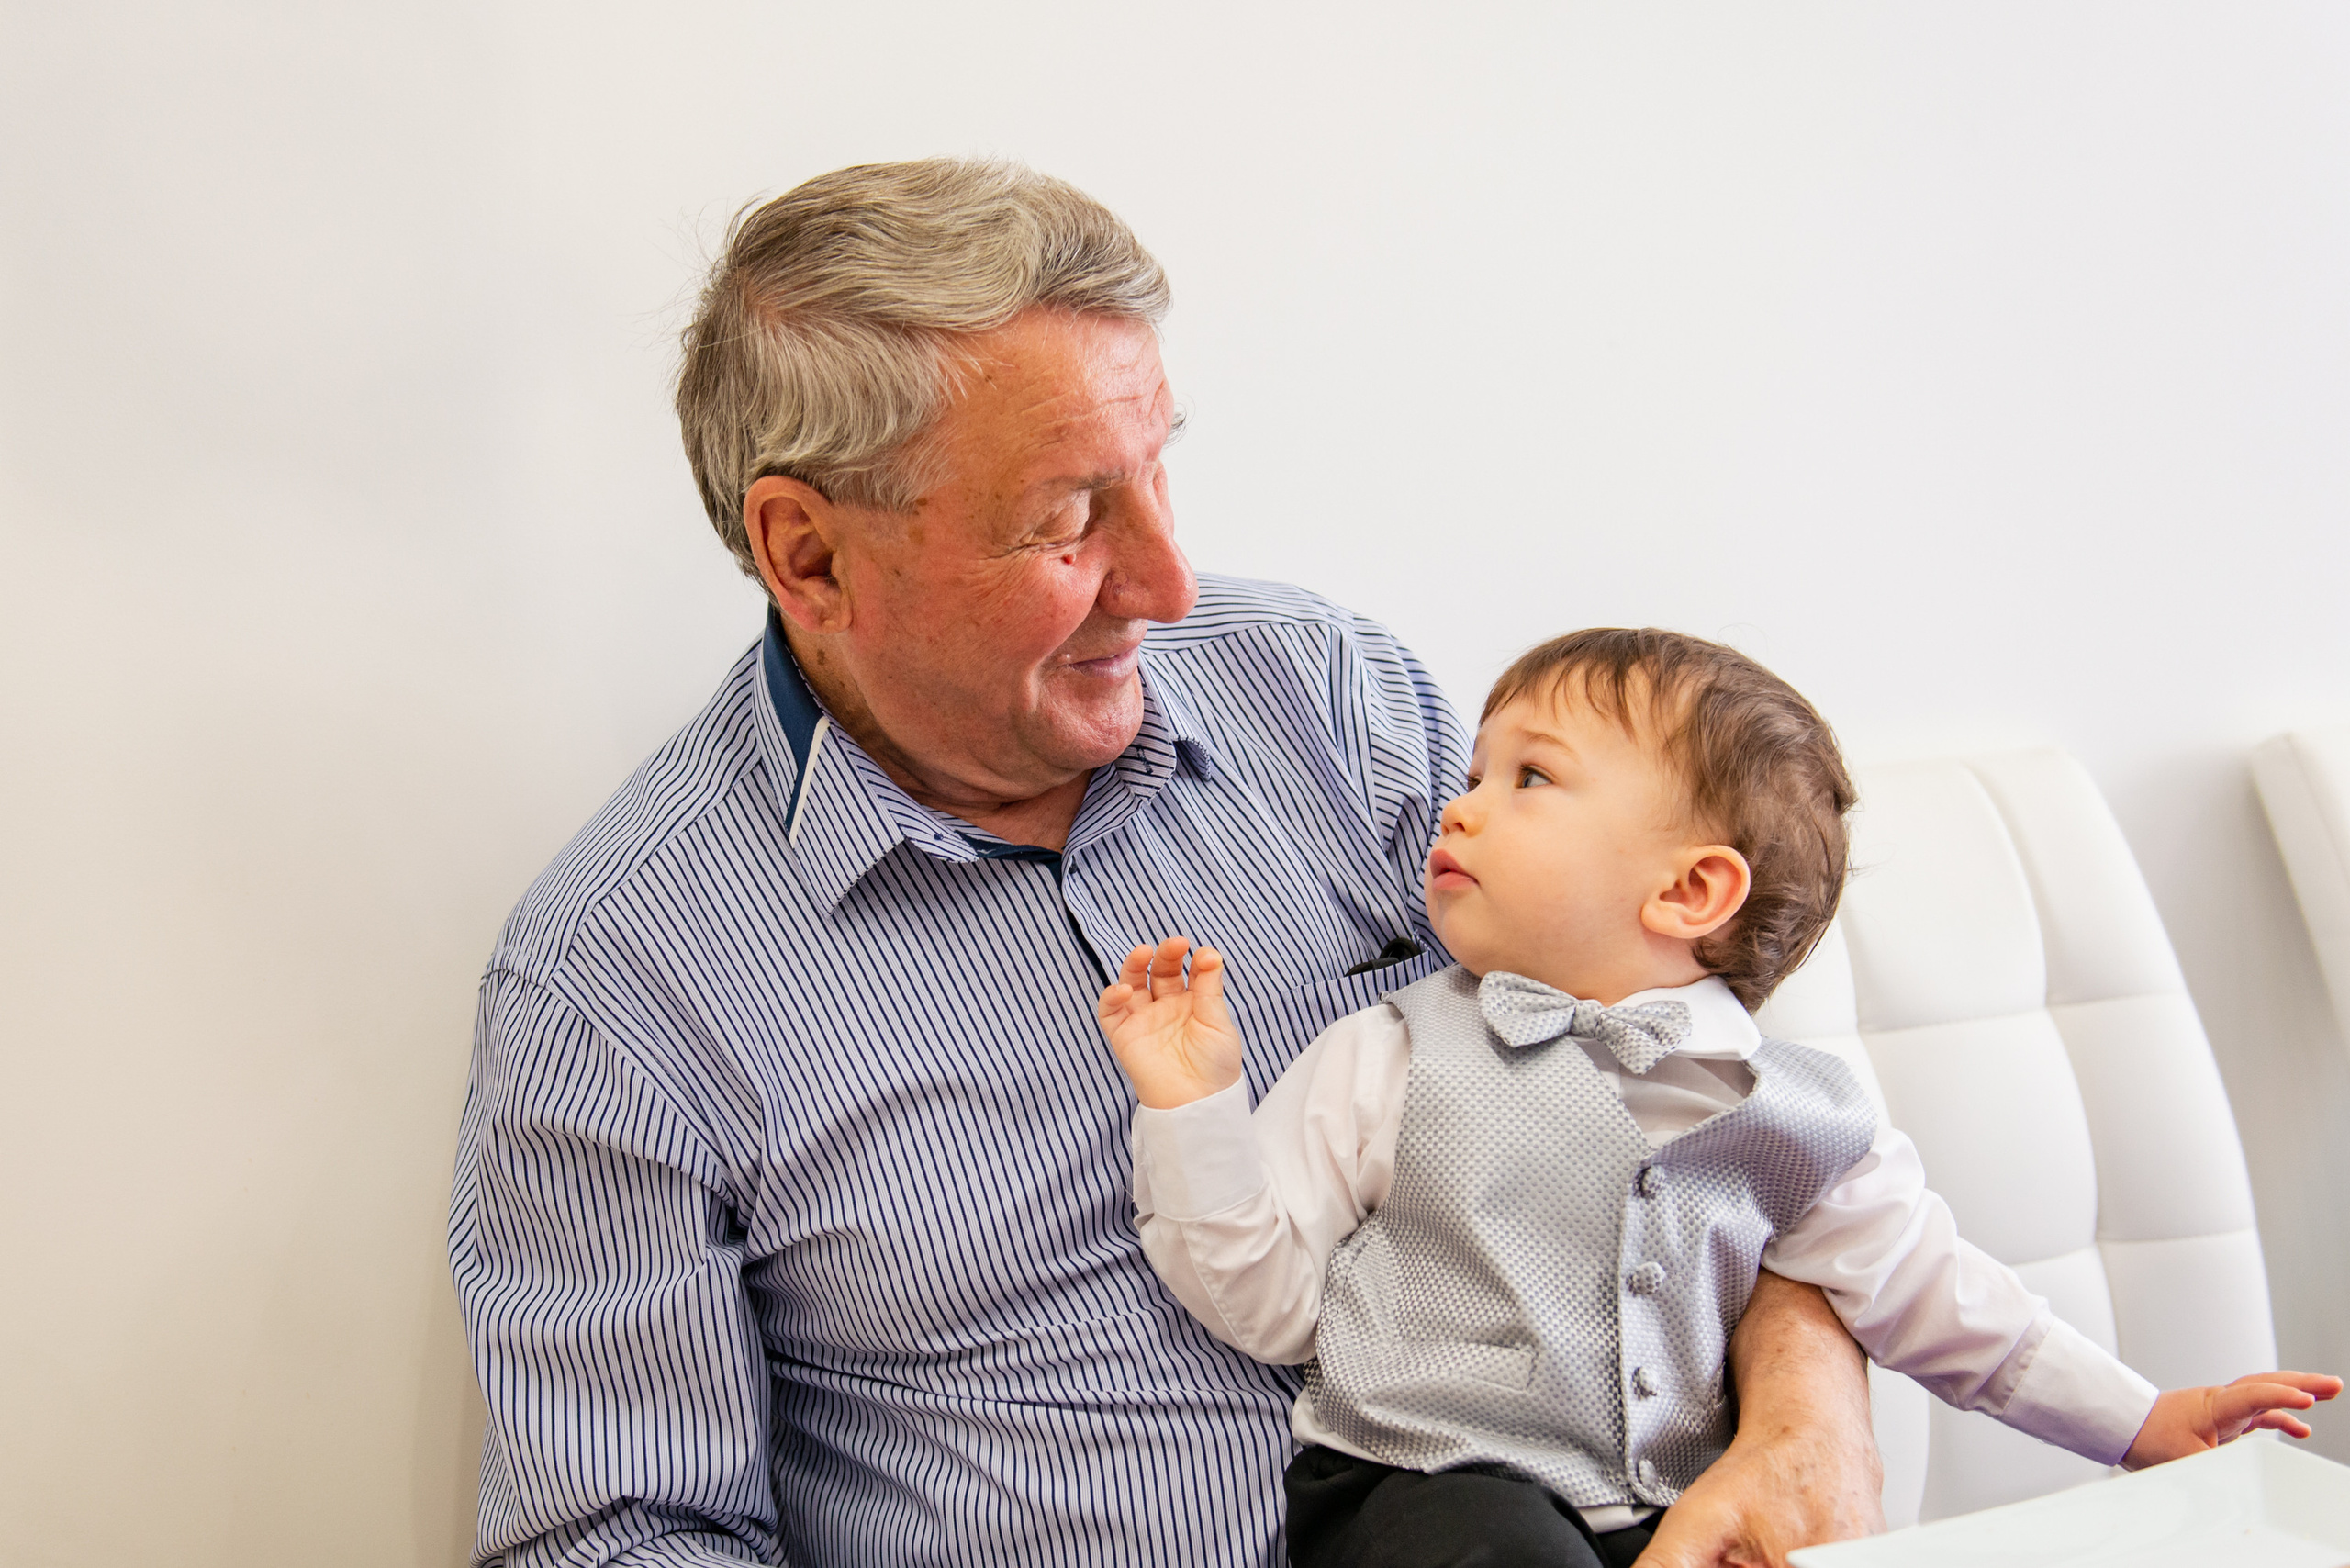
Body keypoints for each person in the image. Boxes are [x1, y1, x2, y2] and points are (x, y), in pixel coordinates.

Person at [450, 158, 1888, 1568]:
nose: (1169, 585)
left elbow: (1705, 1089)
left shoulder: (1331, 699)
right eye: (1069, 520)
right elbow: (618, 1538)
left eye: (1157, 475)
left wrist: (1810, 1403)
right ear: (809, 556)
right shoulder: (614, 985)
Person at [1098, 628, 2341, 1568]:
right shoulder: (1391, 1054)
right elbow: (1264, 1306)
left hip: (1665, 1515)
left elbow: (1943, 1301)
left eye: (1530, 778)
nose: (1459, 803)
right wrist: (1194, 1110)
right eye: (1476, 770)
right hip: (1424, 1490)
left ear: (1691, 893)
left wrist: (2141, 1419)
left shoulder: (1765, 1107)